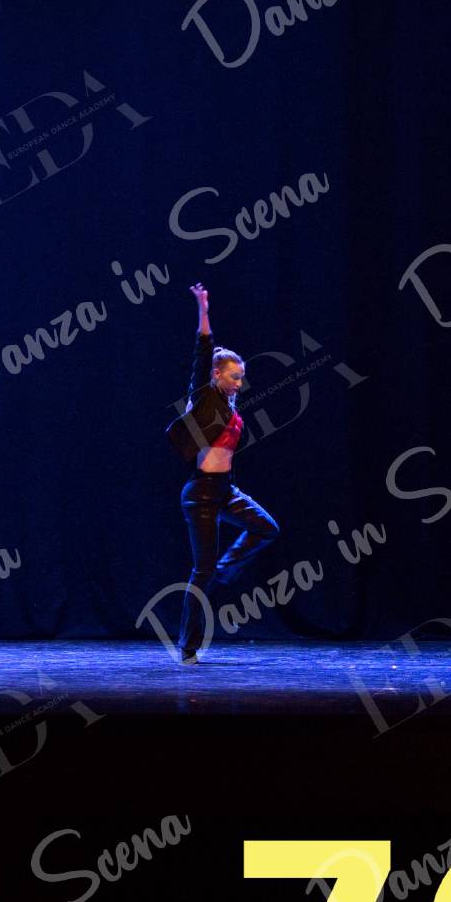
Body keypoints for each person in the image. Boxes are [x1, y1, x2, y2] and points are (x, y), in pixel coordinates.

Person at [166, 282, 279, 664]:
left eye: (241, 377)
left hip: (226, 490)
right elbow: (202, 350)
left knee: (267, 527)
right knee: (201, 572)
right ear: (217, 375)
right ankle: (188, 647)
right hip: (200, 494)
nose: (239, 384)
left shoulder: (230, 407)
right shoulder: (205, 396)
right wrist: (203, 308)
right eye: (234, 377)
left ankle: (224, 570)